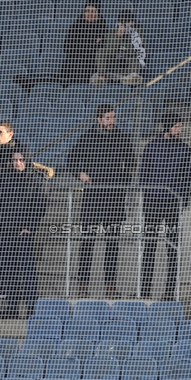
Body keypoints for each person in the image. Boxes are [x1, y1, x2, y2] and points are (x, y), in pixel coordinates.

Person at [67, 104, 137, 298]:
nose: (111, 121)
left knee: (112, 244)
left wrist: (122, 180)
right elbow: (71, 159)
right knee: (87, 242)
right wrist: (80, 174)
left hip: (114, 198)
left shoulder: (122, 137)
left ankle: (110, 287)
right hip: (92, 198)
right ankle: (82, 287)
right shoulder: (88, 137)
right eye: (107, 118)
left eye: (113, 117)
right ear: (99, 119)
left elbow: (131, 163)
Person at [139, 113, 191, 300]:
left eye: (180, 127)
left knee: (172, 247)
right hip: (152, 203)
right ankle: (145, 290)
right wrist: (146, 195)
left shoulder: (185, 149)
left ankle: (169, 291)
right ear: (167, 128)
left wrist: (183, 199)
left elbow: (189, 178)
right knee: (149, 246)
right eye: (176, 127)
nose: (179, 130)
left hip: (172, 204)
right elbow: (143, 174)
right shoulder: (152, 147)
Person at [0, 150, 47, 318]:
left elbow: (40, 204)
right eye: (15, 160)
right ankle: (12, 306)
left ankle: (31, 307)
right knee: (8, 269)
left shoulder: (36, 178)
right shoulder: (4, 178)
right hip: (6, 230)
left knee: (27, 269)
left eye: (21, 159)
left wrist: (29, 226)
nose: (18, 163)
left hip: (24, 232)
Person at [14, 0, 108, 92]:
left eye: (93, 11)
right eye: (87, 11)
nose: (89, 14)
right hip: (73, 67)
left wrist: (85, 46)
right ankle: (28, 81)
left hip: (91, 69)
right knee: (53, 79)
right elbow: (67, 47)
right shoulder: (77, 25)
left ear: (98, 13)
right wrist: (92, 44)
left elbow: (101, 51)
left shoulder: (103, 28)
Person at [0, 122, 31, 299]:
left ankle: (11, 290)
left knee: (13, 254)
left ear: (11, 134)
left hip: (15, 212)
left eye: (0, 132)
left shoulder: (19, 152)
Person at [92, 9, 147, 88]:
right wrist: (118, 36)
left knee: (135, 61)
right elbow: (108, 51)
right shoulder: (111, 34)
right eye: (122, 22)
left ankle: (130, 78)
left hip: (127, 66)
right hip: (113, 65)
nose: (124, 25)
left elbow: (134, 53)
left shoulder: (137, 35)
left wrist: (127, 37)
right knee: (101, 53)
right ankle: (102, 78)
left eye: (127, 21)